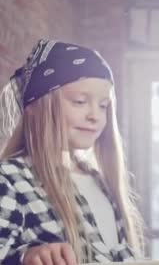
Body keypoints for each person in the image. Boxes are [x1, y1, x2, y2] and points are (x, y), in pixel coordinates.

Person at [0, 39, 144, 264]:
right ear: (38, 106)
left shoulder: (99, 181)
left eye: (103, 105)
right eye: (79, 101)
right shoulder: (9, 180)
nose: (95, 115)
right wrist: (26, 257)